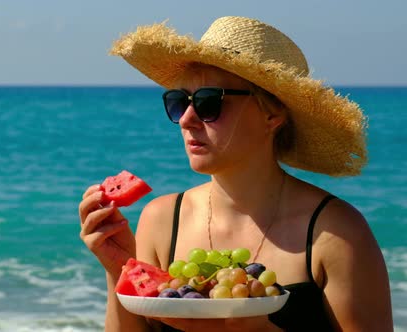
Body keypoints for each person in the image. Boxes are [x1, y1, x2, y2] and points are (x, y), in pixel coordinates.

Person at [78, 16, 393, 331]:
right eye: (178, 102)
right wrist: (118, 269)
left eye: (208, 102)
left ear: (272, 113)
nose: (187, 118)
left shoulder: (335, 233)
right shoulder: (161, 220)